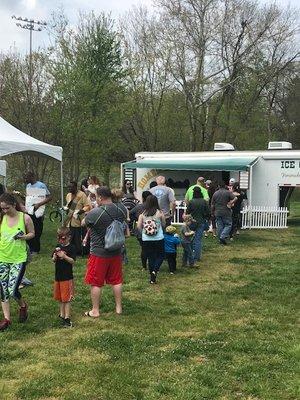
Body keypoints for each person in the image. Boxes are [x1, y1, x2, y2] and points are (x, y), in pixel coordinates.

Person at [83, 186, 127, 317]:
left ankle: (95, 310)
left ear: (100, 197)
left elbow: (84, 223)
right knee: (117, 280)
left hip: (99, 252)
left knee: (96, 282)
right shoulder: (122, 208)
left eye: (96, 196)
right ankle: (119, 308)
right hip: (116, 250)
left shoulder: (96, 212)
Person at [0, 193, 35, 331]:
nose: (4, 211)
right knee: (3, 290)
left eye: (6, 208)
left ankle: (23, 306)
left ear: (14, 205)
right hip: (3, 257)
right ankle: (7, 319)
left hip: (18, 259)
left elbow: (32, 233)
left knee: (13, 290)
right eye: (2, 208)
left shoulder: (25, 218)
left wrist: (23, 237)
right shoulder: (1, 217)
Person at [137, 195, 165, 284]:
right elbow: (164, 224)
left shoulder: (142, 214)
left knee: (150, 256)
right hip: (158, 238)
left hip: (146, 239)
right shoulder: (159, 213)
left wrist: (144, 232)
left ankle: (152, 276)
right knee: (161, 255)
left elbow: (138, 226)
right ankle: (155, 271)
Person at [52, 227, 76, 328]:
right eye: (59, 239)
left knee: (66, 299)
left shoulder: (72, 248)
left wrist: (64, 256)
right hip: (58, 277)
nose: (61, 241)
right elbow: (53, 260)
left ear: (69, 237)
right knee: (60, 298)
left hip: (67, 277)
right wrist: (55, 256)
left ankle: (67, 318)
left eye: (63, 238)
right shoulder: (58, 246)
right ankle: (61, 315)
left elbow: (73, 261)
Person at [24, 171, 52, 255]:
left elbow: (49, 197)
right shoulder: (28, 186)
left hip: (38, 212)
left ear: (32, 176)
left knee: (37, 229)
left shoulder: (41, 185)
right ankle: (30, 248)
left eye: (27, 177)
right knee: (29, 228)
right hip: (29, 211)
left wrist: (39, 204)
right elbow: (29, 198)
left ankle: (36, 249)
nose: (25, 179)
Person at [65, 181, 91, 255]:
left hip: (79, 219)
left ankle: (81, 251)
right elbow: (68, 205)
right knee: (70, 235)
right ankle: (71, 250)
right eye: (68, 187)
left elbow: (87, 206)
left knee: (78, 236)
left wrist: (82, 210)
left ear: (75, 187)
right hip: (70, 218)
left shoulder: (82, 195)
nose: (69, 188)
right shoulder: (68, 195)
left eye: (71, 187)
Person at [186, 187, 210, 263]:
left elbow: (187, 212)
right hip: (201, 222)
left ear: (193, 192)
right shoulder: (204, 201)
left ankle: (189, 254)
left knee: (189, 238)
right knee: (198, 240)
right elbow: (208, 212)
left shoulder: (191, 202)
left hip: (192, 222)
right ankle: (197, 257)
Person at [130, 190, 152, 269]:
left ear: (143, 198)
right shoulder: (154, 207)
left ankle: (144, 266)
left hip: (141, 231)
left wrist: (135, 219)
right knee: (152, 248)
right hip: (152, 230)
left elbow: (130, 213)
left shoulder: (139, 207)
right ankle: (151, 264)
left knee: (144, 249)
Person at [211, 181, 237, 245]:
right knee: (228, 224)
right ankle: (222, 237)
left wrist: (212, 212)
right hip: (226, 211)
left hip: (217, 211)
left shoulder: (215, 193)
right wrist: (231, 202)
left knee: (220, 226)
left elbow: (212, 204)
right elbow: (235, 198)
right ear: (225, 186)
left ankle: (220, 239)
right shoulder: (228, 192)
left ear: (219, 186)